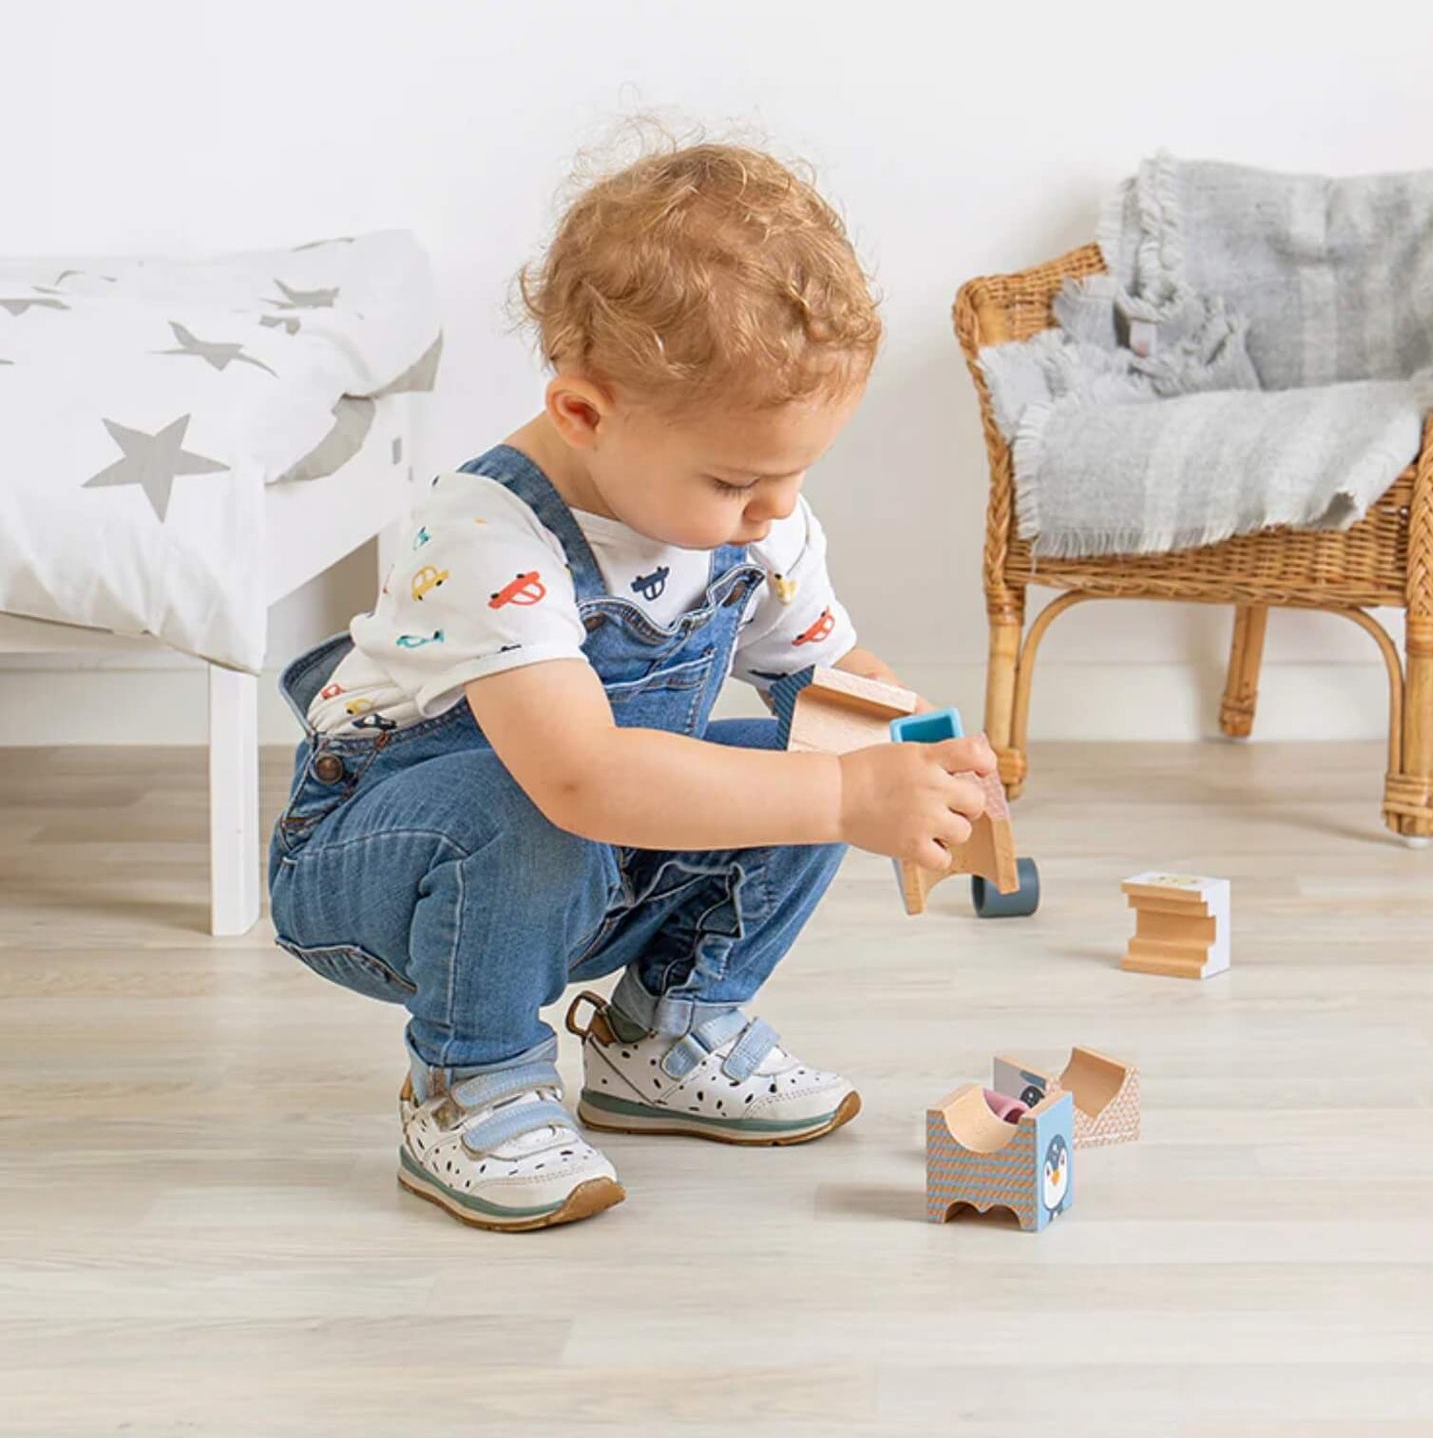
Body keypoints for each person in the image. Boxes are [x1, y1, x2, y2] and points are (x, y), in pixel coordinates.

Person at [271, 137, 992, 1230]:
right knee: (540, 803)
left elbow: (831, 678)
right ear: (584, 415)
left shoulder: (758, 519)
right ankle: (471, 1078)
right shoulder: (485, 539)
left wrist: (920, 756)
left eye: (797, 472)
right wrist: (847, 795)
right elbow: (582, 779)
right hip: (384, 871)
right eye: (738, 479)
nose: (774, 509)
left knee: (830, 748)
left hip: (594, 866)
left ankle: (665, 1030)